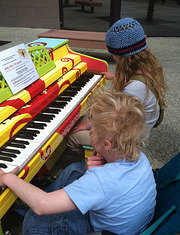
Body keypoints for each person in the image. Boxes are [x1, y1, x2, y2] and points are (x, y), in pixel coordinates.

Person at [0, 91, 156, 235]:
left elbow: (42, 205)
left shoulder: (101, 181)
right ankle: (38, 196)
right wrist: (92, 173)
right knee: (76, 169)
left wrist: (7, 178)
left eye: (92, 130)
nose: (89, 133)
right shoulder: (140, 158)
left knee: (36, 216)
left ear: (106, 144)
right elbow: (107, 186)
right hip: (126, 230)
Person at [65, 17, 168, 154]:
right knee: (85, 118)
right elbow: (135, 82)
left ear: (119, 55)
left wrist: (90, 125)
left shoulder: (134, 89)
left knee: (71, 135)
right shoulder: (148, 68)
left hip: (128, 141)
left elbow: (117, 124)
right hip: (136, 128)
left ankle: (98, 161)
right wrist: (115, 77)